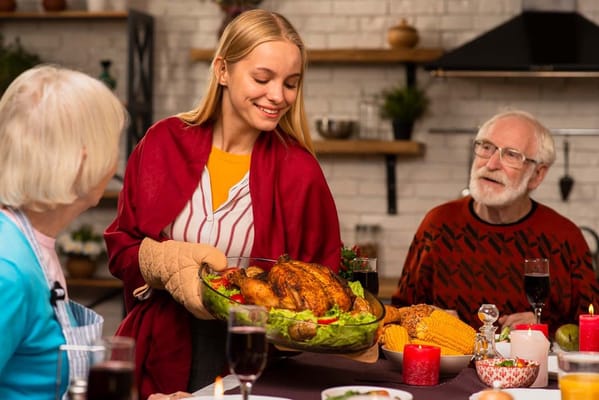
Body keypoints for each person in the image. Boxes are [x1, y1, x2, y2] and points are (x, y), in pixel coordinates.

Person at [105, 9, 342, 399]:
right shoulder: (162, 143)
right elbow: (122, 249)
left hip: (252, 362)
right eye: (262, 78)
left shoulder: (300, 170)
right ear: (222, 70)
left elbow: (322, 284)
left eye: (291, 83)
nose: (278, 96)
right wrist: (168, 263)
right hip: (158, 350)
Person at [391, 110, 599, 337]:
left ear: (537, 174)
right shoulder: (438, 225)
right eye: (486, 147)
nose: (490, 164)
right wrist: (428, 318)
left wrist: (544, 327)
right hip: (448, 372)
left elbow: (592, 327)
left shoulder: (565, 237)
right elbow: (398, 314)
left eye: (511, 155)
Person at [0, 65, 128, 399]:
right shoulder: (8, 271)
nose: (116, 163)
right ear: (84, 161)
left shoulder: (33, 245)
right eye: (112, 146)